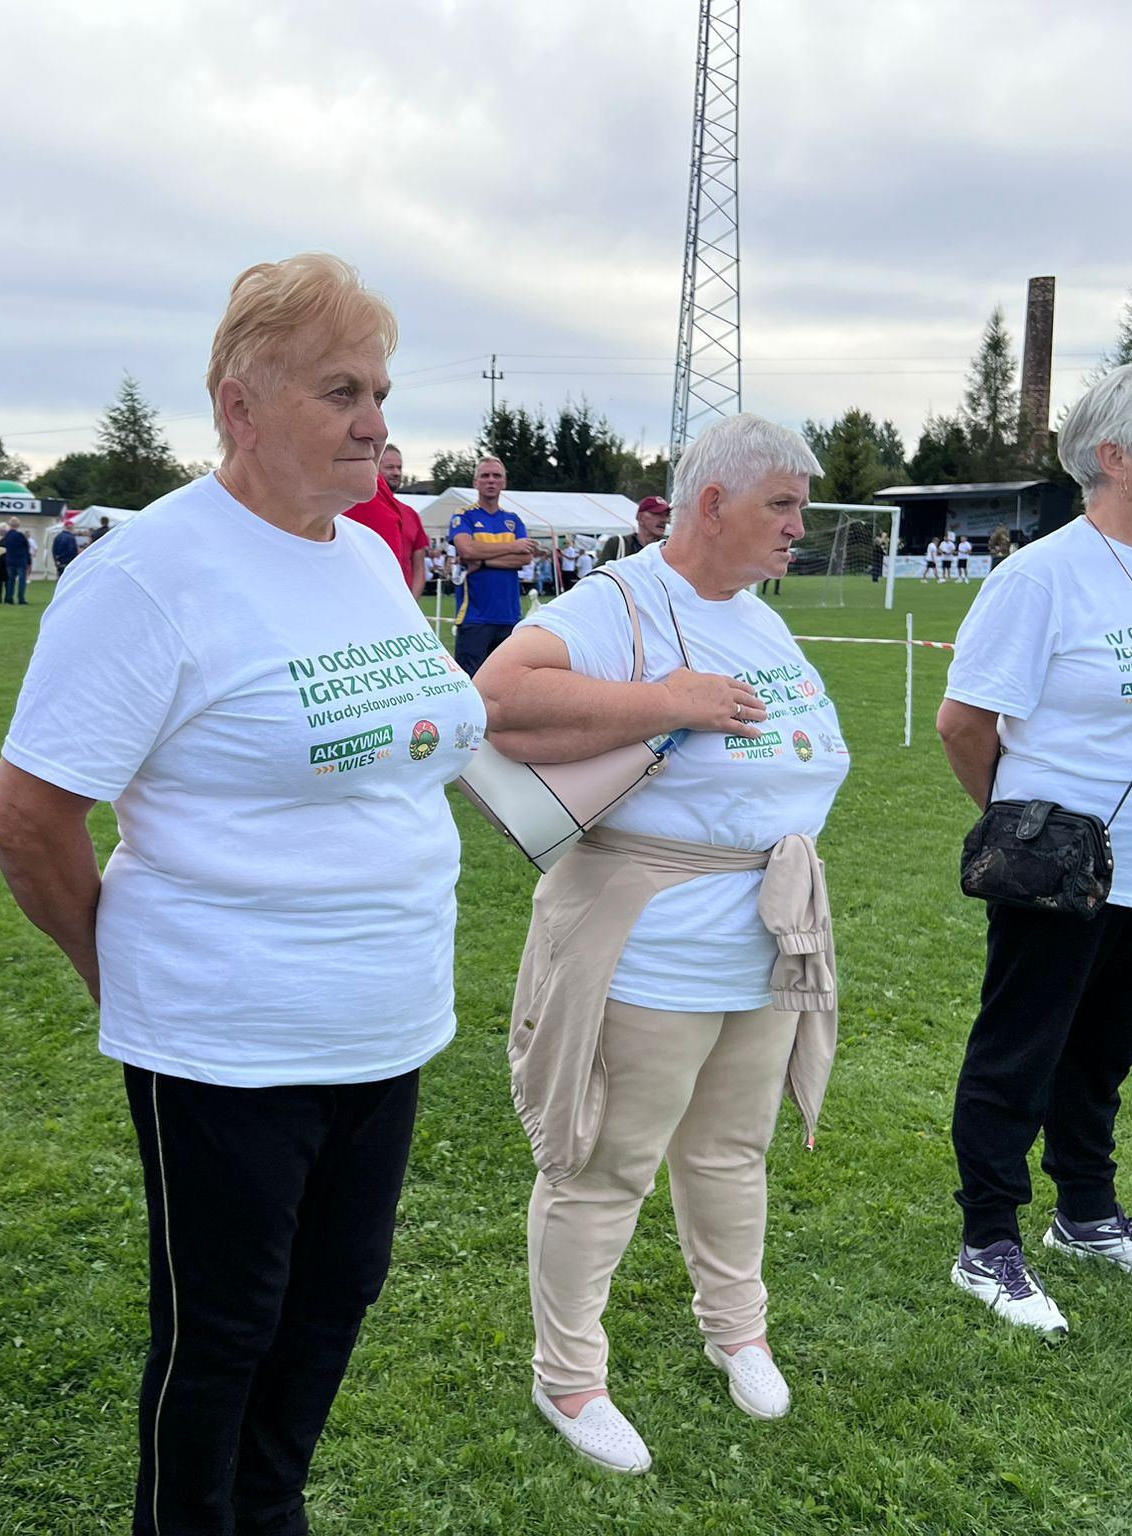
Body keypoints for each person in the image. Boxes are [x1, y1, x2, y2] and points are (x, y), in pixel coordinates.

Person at [0, 252, 483, 1535]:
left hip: (385, 1019)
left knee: (335, 1302)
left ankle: (271, 1512)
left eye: (377, 389)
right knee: (221, 1333)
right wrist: (125, 972)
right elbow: (29, 816)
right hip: (225, 1033)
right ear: (237, 401)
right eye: (338, 391)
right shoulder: (150, 574)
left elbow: (411, 748)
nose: (375, 422)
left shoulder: (367, 559)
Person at [475, 413, 849, 1473]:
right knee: (604, 1167)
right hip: (649, 941)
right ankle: (569, 1379)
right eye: (780, 504)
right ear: (713, 503)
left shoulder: (756, 618)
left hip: (763, 939)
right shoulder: (622, 599)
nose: (797, 527)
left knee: (732, 1153)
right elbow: (497, 698)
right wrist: (663, 701)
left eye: (800, 507)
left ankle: (737, 1330)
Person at [937, 363, 1132, 1336]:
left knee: (1103, 1049)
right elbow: (963, 722)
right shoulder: (1037, 576)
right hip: (1062, 870)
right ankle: (986, 1240)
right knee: (1019, 1049)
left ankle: (1086, 1216)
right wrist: (1025, 829)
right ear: (1114, 456)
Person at [449, 455, 536, 674]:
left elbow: (525, 557)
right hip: (475, 616)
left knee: (505, 684)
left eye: (496, 476)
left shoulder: (513, 519)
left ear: (504, 483)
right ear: (475, 482)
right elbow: (467, 550)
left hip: (509, 615)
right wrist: (513, 547)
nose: (491, 480)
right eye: (485, 475)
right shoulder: (464, 515)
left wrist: (484, 559)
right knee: (472, 682)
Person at [341, 439, 426, 596]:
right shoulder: (357, 505)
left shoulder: (411, 515)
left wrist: (410, 604)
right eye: (390, 467)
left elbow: (419, 566)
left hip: (400, 600)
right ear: (376, 466)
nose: (396, 472)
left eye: (399, 468)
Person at [602, 493, 671, 563]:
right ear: (640, 517)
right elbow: (599, 572)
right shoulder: (618, 544)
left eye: (666, 515)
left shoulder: (670, 548)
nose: (664, 520)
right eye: (657, 514)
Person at [0, 518, 32, 604]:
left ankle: (9, 598)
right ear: (18, 525)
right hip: (21, 561)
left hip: (10, 561)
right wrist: (29, 562)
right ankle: (21, 598)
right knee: (22, 581)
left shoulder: (6, 536)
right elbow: (26, 549)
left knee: (11, 580)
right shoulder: (21, 536)